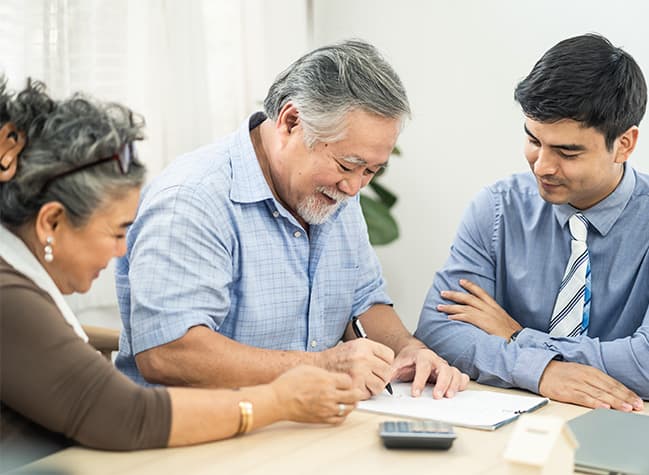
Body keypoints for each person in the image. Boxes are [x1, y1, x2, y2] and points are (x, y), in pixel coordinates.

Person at [0, 79, 362, 472]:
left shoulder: (20, 284)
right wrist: (278, 401)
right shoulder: (9, 297)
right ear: (51, 221)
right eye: (117, 231)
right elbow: (125, 416)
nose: (123, 250)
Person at [115, 39, 469, 398]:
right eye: (347, 165)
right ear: (291, 121)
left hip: (306, 425)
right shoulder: (193, 198)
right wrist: (322, 367)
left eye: (371, 171)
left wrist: (408, 349)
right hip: (197, 436)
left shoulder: (336, 193)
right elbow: (168, 353)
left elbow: (365, 302)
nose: (353, 187)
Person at [415, 33, 648, 411]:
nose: (542, 166)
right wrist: (542, 372)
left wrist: (517, 335)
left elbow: (645, 361)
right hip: (505, 418)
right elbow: (440, 331)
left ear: (624, 143)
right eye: (534, 140)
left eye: (567, 152)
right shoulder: (497, 209)